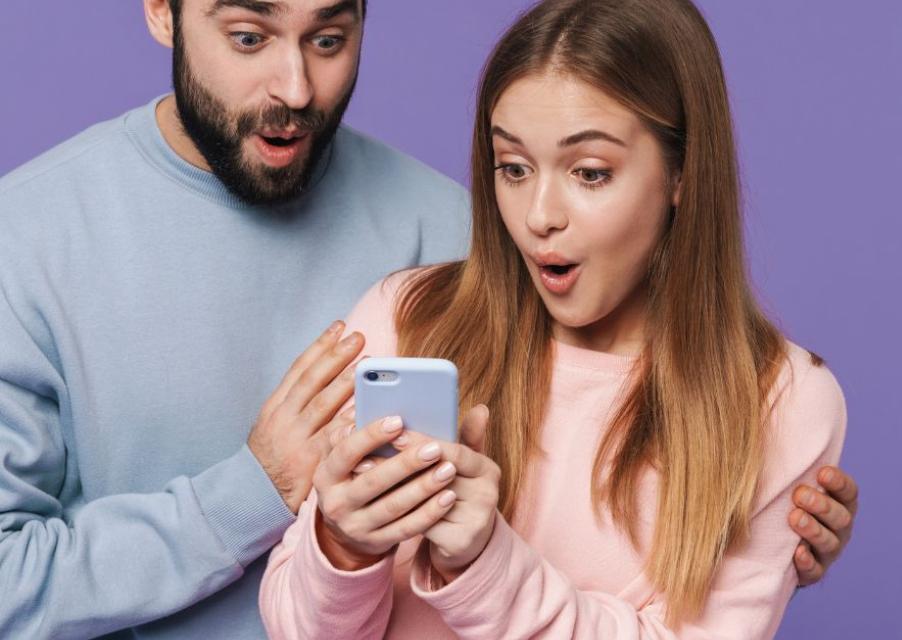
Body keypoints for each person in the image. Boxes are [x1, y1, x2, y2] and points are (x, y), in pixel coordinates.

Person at [0, 0, 855, 638]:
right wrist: (280, 506)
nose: (295, 88)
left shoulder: (455, 236)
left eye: (329, 39)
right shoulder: (29, 237)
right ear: (163, 10)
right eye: (249, 36)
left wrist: (761, 526)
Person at [258, 0, 853, 638]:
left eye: (590, 173)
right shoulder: (406, 317)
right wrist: (344, 547)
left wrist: (486, 565)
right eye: (513, 168)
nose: (539, 214)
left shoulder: (778, 404)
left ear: (682, 171)